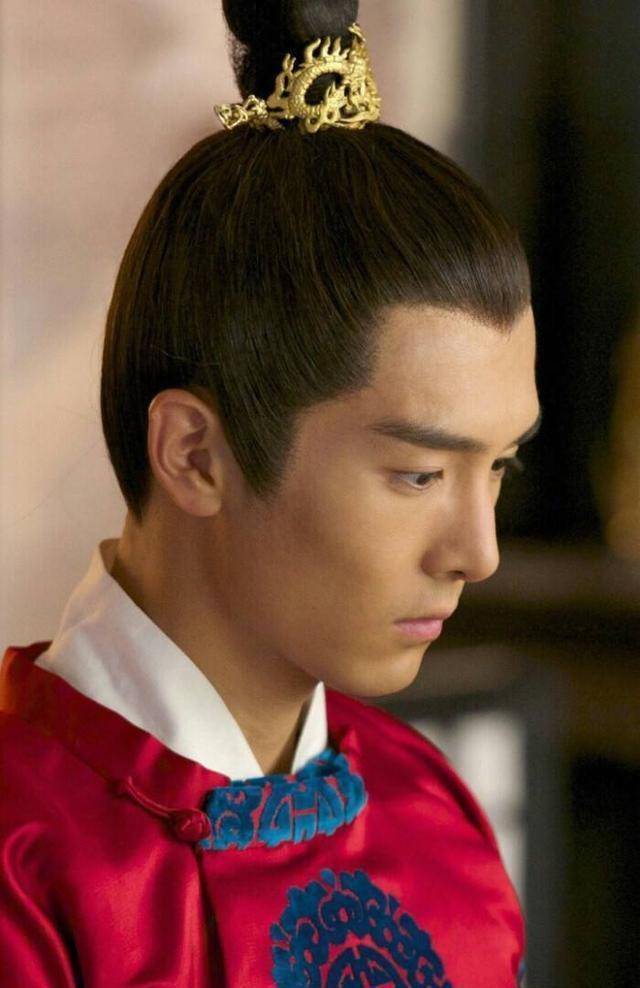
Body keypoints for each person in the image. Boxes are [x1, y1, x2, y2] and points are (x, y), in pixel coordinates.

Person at [0, 2, 540, 985]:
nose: (477, 552)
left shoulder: (432, 814)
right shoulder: (25, 860)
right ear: (195, 455)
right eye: (419, 475)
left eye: (498, 467)